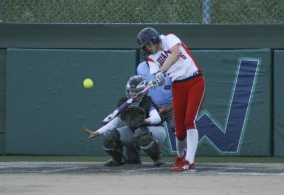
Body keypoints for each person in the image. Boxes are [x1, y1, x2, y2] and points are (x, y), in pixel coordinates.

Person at [136, 27, 205, 171]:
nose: (148, 48)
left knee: (189, 121)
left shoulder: (169, 38)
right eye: (145, 47)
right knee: (179, 130)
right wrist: (156, 80)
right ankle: (180, 157)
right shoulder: (151, 58)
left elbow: (176, 54)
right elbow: (159, 79)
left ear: (155, 39)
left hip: (195, 80)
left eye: (149, 44)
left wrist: (162, 71)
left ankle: (189, 161)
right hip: (177, 85)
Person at [83, 75, 167, 167]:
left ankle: (157, 159)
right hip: (134, 132)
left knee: (140, 133)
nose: (134, 94)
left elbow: (157, 118)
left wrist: (144, 121)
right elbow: (113, 123)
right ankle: (118, 160)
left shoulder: (146, 102)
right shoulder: (124, 103)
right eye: (132, 91)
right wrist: (97, 132)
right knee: (109, 135)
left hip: (155, 130)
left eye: (137, 91)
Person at [136, 60, 174, 133]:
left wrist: (168, 108)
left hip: (171, 107)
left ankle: (186, 144)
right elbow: (140, 89)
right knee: (142, 132)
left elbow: (180, 94)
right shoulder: (141, 67)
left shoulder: (171, 65)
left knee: (178, 128)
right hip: (152, 107)